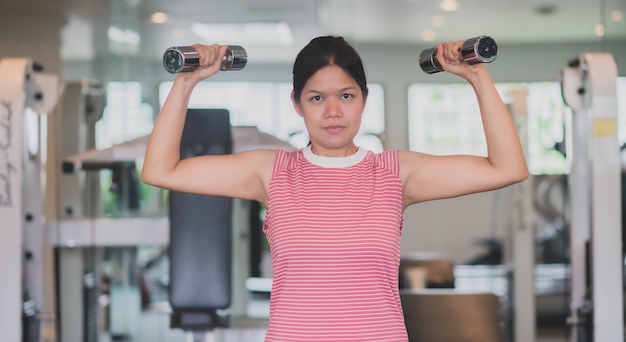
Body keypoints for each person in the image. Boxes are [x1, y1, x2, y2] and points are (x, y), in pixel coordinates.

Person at [141, 36, 528, 341]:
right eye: (316, 98)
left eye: (346, 96)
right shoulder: (271, 171)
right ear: (297, 104)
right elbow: (160, 171)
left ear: (363, 100)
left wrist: (478, 76)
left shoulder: (395, 172)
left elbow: (507, 168)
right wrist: (186, 82)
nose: (332, 112)